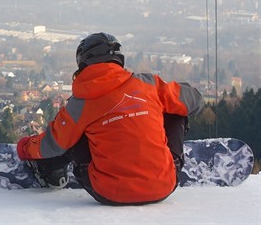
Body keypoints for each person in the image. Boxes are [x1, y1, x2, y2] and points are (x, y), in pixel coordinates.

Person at [17, 32, 204, 205]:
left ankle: (49, 171)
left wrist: (24, 147)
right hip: (163, 186)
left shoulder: (80, 103)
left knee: (76, 129)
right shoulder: (148, 84)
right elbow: (195, 101)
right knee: (176, 109)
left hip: (108, 192)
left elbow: (53, 144)